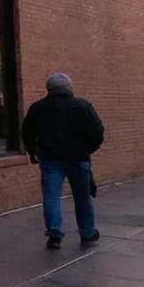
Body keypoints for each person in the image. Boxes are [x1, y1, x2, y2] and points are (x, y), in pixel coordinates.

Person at [22, 71, 105, 249]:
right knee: (83, 197)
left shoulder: (38, 108)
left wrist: (33, 152)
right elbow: (97, 132)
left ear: (49, 88)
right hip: (78, 158)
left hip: (50, 158)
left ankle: (54, 234)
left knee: (52, 197)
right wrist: (87, 149)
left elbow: (27, 132)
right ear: (69, 88)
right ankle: (88, 232)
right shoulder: (82, 106)